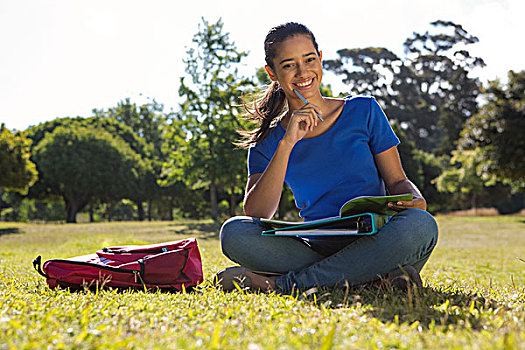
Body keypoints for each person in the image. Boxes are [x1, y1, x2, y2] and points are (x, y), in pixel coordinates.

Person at [216, 22, 438, 293]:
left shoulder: (364, 110)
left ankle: (284, 285)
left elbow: (398, 181)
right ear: (272, 73)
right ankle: (371, 280)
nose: (302, 72)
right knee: (234, 233)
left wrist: (414, 199)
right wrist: (286, 144)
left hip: (377, 238)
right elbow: (257, 212)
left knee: (420, 224)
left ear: (320, 58)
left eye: (309, 59)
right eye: (288, 65)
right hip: (317, 247)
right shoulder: (267, 142)